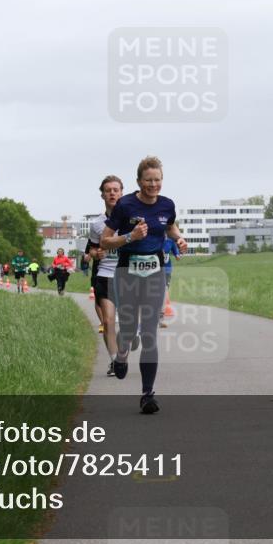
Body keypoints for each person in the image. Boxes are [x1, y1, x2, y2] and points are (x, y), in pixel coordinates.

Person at [99, 156, 188, 415]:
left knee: (149, 334)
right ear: (139, 182)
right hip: (127, 274)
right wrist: (130, 237)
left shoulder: (167, 205)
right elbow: (105, 242)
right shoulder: (125, 205)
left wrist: (179, 239)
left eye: (157, 180)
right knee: (127, 329)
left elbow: (170, 227)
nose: (153, 185)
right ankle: (122, 353)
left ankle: (148, 394)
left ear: (162, 181)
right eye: (148, 180)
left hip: (155, 274)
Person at [88, 175, 124, 376]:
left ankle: (124, 348)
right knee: (108, 322)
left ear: (121, 193)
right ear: (102, 195)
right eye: (108, 190)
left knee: (128, 326)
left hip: (129, 275)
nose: (112, 193)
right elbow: (92, 250)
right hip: (105, 273)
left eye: (115, 189)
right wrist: (96, 253)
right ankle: (114, 361)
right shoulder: (96, 224)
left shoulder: (132, 220)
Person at [158, 237, 181, 328]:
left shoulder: (170, 241)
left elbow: (177, 255)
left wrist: (179, 254)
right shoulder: (155, 239)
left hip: (167, 270)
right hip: (154, 269)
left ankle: (160, 320)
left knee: (163, 292)